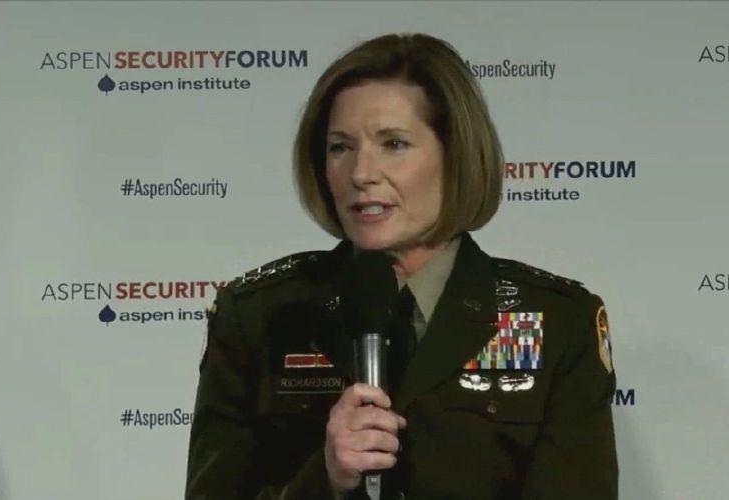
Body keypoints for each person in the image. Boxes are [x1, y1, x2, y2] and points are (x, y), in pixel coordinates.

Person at [185, 33, 618, 500]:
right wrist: (324, 480)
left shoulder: (556, 322)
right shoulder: (260, 315)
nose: (361, 173)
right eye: (340, 147)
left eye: (393, 143)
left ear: (456, 155)